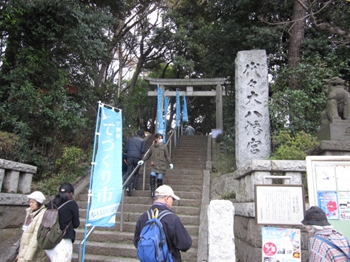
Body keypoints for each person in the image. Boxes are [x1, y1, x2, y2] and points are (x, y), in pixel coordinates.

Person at [133, 185, 192, 262]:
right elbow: (185, 244)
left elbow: (136, 242)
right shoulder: (172, 219)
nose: (173, 202)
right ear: (167, 198)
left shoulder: (142, 218)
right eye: (172, 199)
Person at [45, 183, 80, 261]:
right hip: (64, 240)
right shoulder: (72, 204)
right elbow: (76, 224)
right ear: (71, 193)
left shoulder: (51, 203)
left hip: (50, 240)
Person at [138, 133, 173, 197]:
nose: (160, 139)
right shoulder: (152, 146)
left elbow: (167, 156)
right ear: (156, 139)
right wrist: (143, 160)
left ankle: (159, 192)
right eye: (159, 138)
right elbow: (148, 154)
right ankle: (152, 191)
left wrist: (170, 163)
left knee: (159, 178)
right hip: (154, 165)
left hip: (161, 166)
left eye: (161, 138)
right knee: (152, 175)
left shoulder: (164, 146)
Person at [17, 191, 47, 262]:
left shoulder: (42, 214)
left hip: (32, 253)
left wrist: (27, 257)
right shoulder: (30, 212)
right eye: (30, 202)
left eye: (33, 202)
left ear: (39, 203)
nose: (30, 204)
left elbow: (35, 236)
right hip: (25, 249)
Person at [125, 130, 146, 196]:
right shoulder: (143, 141)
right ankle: (134, 186)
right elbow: (143, 150)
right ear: (142, 135)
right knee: (136, 172)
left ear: (136, 133)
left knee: (129, 172)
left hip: (129, 157)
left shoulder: (130, 139)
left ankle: (128, 186)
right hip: (137, 157)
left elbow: (125, 149)